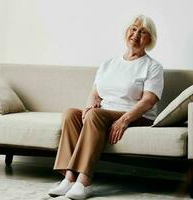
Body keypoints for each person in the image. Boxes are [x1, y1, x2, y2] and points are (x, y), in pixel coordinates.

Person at [48, 14, 164, 200]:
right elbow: (95, 92)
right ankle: (68, 178)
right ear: (126, 32)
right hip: (104, 112)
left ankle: (84, 182)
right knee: (71, 114)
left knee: (95, 116)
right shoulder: (109, 63)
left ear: (150, 39)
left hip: (134, 115)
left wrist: (124, 120)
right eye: (133, 29)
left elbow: (148, 101)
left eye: (142, 32)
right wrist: (88, 106)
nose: (136, 34)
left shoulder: (153, 67)